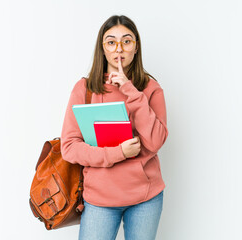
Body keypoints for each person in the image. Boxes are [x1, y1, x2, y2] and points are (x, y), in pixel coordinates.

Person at [61, 15, 169, 240]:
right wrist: (118, 153)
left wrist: (130, 89)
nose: (119, 48)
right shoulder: (84, 89)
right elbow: (69, 147)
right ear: (102, 48)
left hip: (145, 198)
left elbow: (155, 142)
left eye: (126, 41)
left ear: (136, 47)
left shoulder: (151, 88)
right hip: (100, 200)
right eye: (111, 42)